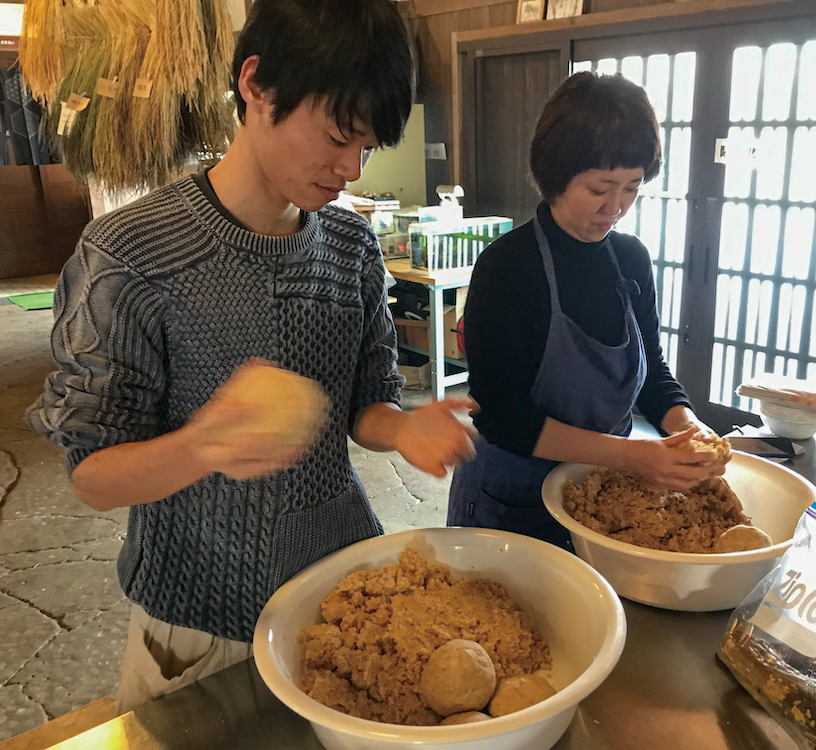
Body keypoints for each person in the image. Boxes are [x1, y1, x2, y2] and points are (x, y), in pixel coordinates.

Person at [27, 0, 473, 711]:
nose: (350, 170)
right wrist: (204, 445)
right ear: (257, 85)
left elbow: (367, 398)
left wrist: (402, 427)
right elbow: (93, 478)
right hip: (197, 626)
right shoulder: (129, 256)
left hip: (337, 600)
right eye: (336, 137)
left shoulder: (350, 247)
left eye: (368, 148)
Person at [447, 72, 722, 549]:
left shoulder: (631, 258)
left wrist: (688, 428)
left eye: (632, 188)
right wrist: (634, 456)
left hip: (599, 493)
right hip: (510, 497)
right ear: (556, 175)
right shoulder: (508, 267)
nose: (615, 207)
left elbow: (653, 373)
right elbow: (503, 418)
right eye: (600, 188)